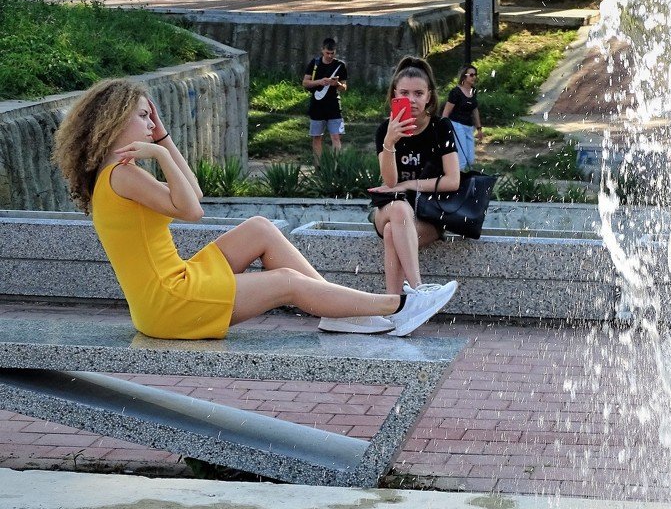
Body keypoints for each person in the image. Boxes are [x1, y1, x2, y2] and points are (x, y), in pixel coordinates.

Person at [51, 78, 455, 339]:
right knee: (285, 282)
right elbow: (193, 212)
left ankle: (339, 309)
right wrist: (158, 152)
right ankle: (398, 306)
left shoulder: (115, 175)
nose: (149, 123)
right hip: (173, 302)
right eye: (142, 116)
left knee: (260, 228)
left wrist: (164, 139)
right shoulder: (126, 174)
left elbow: (193, 193)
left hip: (168, 291)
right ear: (113, 121)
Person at [368, 57, 460, 297]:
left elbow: (453, 180)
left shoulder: (441, 127)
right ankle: (419, 290)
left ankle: (394, 306)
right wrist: (390, 142)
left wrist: (409, 184)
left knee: (392, 232)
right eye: (404, 93)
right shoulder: (385, 130)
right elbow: (389, 183)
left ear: (429, 96)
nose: (412, 100)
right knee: (399, 210)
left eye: (419, 93)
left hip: (428, 214)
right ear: (394, 96)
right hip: (389, 208)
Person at [302, 37, 348, 161]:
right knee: (317, 137)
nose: (329, 56)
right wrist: (320, 82)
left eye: (332, 53)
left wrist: (336, 84)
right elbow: (305, 83)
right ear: (322, 50)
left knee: (336, 137)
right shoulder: (315, 63)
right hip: (317, 106)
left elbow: (344, 87)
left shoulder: (340, 65)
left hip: (333, 106)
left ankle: (335, 167)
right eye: (327, 53)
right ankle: (318, 167)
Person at [440, 64, 483, 171]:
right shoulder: (456, 92)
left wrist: (479, 128)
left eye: (475, 75)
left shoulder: (473, 91)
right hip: (456, 124)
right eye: (471, 75)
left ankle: (468, 180)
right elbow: (446, 111)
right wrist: (443, 128)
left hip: (469, 126)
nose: (474, 77)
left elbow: (475, 110)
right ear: (464, 76)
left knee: (471, 159)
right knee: (462, 159)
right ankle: (457, 182)